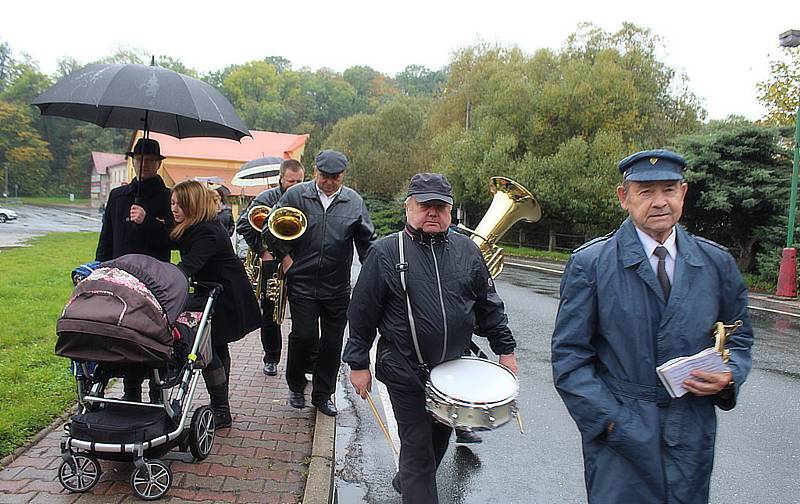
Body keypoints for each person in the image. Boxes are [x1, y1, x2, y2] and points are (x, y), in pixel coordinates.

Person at [551, 149, 754, 504]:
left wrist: (729, 374)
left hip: (691, 430)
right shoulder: (592, 264)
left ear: (683, 193)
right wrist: (612, 423)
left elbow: (740, 339)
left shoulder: (715, 263)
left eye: (669, 190)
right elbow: (569, 360)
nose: (659, 202)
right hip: (622, 437)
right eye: (646, 191)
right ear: (624, 197)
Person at [343, 173, 518, 504]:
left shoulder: (467, 250)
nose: (432, 212)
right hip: (403, 370)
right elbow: (361, 313)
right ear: (409, 207)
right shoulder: (384, 252)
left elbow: (489, 306)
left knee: (437, 444)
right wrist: (357, 363)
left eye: (441, 206)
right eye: (425, 205)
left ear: (451, 212)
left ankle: (408, 479)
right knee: (418, 449)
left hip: (453, 374)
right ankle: (414, 480)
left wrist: (505, 350)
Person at [265, 150, 375, 417]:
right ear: (315, 172)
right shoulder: (296, 195)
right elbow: (272, 227)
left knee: (332, 341)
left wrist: (373, 274)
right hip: (302, 281)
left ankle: (323, 395)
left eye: (334, 178)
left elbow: (367, 241)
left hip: (336, 286)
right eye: (324, 176)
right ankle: (296, 384)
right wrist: (286, 258)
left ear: (343, 176)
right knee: (304, 335)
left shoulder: (354, 201)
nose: (328, 182)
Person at [170, 180, 261, 428]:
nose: (174, 209)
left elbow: (188, 267)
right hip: (216, 292)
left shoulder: (207, 231)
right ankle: (221, 408)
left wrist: (161, 279)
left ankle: (221, 410)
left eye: (179, 204)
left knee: (208, 348)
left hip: (226, 296)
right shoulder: (195, 226)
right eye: (172, 203)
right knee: (217, 346)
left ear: (193, 205)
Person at [95, 137, 173, 402]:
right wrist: (101, 267)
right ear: (133, 161)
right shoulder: (118, 196)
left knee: (151, 335)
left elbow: (172, 239)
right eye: (140, 160)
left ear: (159, 164)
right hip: (120, 276)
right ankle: (130, 393)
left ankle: (156, 392)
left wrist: (148, 221)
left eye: (150, 161)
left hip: (153, 280)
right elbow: (107, 237)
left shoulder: (167, 198)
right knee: (125, 333)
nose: (144, 166)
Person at [236, 159, 306, 376]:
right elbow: (243, 225)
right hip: (272, 261)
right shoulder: (265, 198)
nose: (295, 185)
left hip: (298, 262)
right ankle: (271, 357)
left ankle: (305, 363)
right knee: (270, 312)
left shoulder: (306, 197)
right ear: (281, 179)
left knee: (303, 312)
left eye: (299, 181)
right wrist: (262, 252)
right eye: (290, 181)